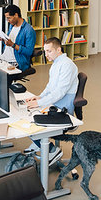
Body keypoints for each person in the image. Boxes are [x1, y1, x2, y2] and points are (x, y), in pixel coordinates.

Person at [25, 37, 79, 166]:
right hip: (54, 103)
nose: (46, 55)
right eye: (45, 51)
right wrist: (39, 97)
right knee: (26, 113)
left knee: (29, 122)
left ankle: (51, 150)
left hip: (62, 109)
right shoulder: (56, 63)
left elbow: (60, 92)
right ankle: (40, 144)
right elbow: (51, 86)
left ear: (58, 49)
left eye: (49, 51)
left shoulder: (67, 65)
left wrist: (39, 103)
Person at [0, 4, 35, 71]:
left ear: (16, 15)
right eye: (6, 18)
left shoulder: (29, 30)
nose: (8, 20)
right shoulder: (12, 26)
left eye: (9, 18)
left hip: (16, 61)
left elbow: (29, 52)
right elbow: (8, 45)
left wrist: (13, 45)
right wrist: (3, 39)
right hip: (4, 57)